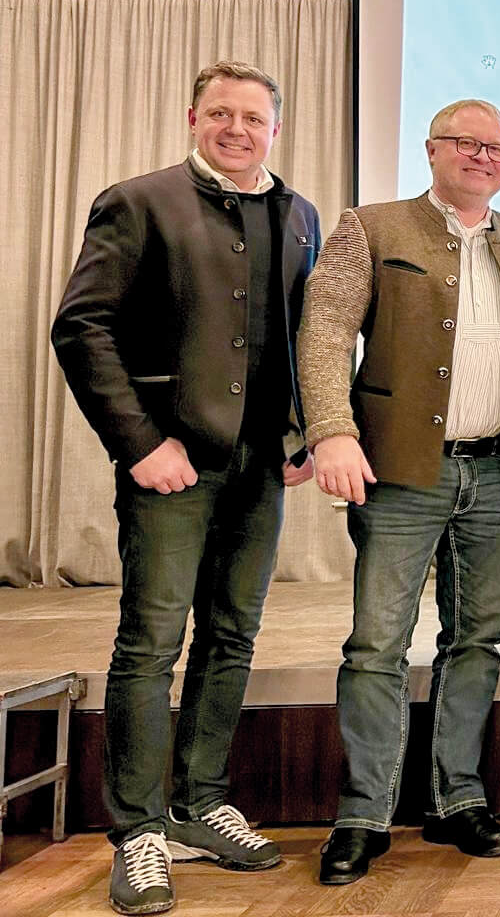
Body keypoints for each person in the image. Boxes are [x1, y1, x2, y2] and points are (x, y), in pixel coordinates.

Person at [52, 61, 320, 915]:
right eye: (222, 114)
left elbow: (303, 335)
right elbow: (82, 327)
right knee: (150, 644)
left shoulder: (300, 212)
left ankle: (202, 804)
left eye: (254, 117)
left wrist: (303, 429)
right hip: (172, 463)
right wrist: (139, 443)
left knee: (233, 638)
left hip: (259, 470)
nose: (238, 129)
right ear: (193, 118)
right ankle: (138, 831)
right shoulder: (138, 201)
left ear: (274, 129)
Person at [297, 98, 500, 884]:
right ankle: (363, 812)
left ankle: (457, 798)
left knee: (475, 640)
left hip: (498, 476)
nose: (484, 157)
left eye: (498, 148)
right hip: (401, 473)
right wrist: (330, 430)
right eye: (468, 144)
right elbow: (325, 330)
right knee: (377, 644)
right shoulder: (371, 228)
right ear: (433, 149)